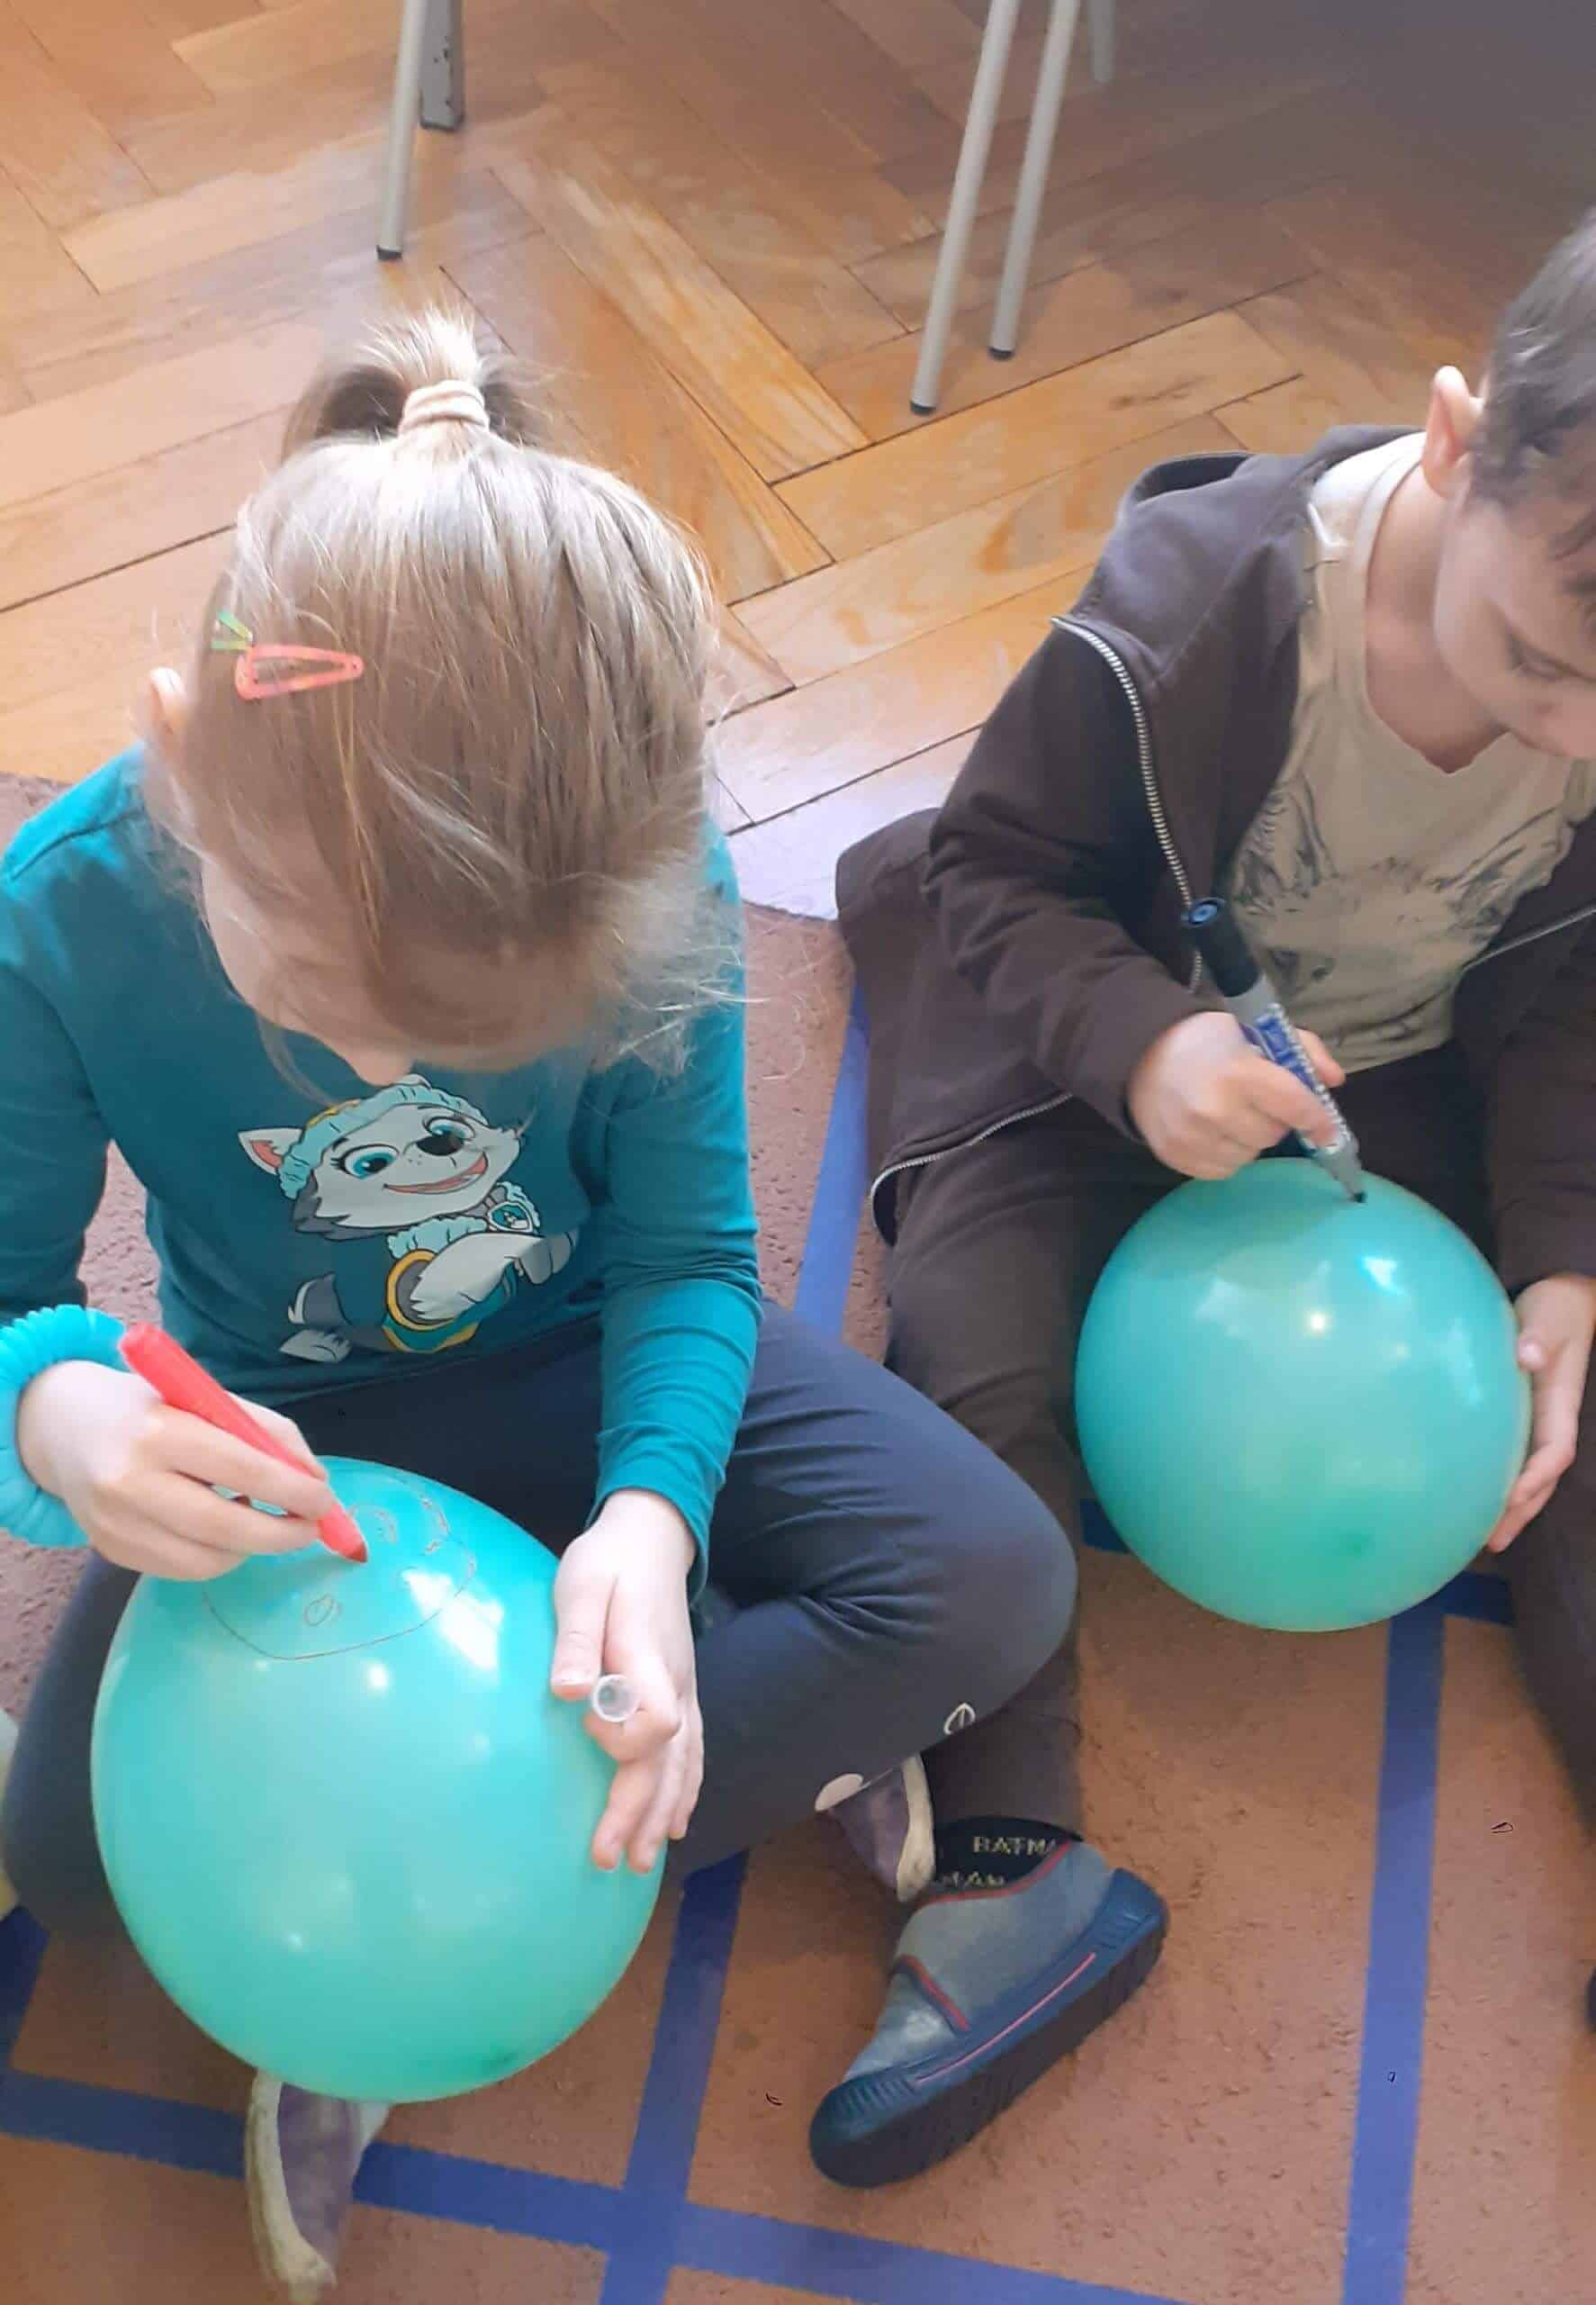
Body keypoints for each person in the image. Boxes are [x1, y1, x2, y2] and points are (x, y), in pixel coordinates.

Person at [0, 313, 1081, 2298]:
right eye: (309, 992)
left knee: (996, 1580)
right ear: (174, 748)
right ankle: (671, 1759)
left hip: (590, 1351)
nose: (368, 1062)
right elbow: (6, 1302)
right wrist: (58, 1412)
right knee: (71, 1861)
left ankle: (441, 1877)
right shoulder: (62, 909)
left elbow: (684, 1259)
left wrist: (652, 1513)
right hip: (293, 1438)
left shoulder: (653, 875)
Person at [840, 209, 1596, 2090]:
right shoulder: (1188, 614)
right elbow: (991, 869)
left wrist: (1562, 1250)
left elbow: (1565, 1009)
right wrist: (1145, 1044)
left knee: (1565, 1382)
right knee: (971, 1356)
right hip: (1100, 1032)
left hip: (1391, 1077)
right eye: (1535, 660)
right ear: (1451, 442)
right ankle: (1011, 1861)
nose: (1572, 733)